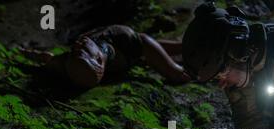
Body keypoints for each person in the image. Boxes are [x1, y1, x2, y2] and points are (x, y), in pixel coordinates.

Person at [22, 25, 191, 88]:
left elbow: (49, 58)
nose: (79, 44)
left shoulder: (70, 60)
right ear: (99, 62)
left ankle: (185, 48)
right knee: (147, 47)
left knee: (148, 48)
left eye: (77, 48)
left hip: (124, 44)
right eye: (81, 50)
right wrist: (173, 71)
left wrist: (33, 56)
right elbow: (144, 44)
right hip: (129, 45)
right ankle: (183, 55)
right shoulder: (102, 50)